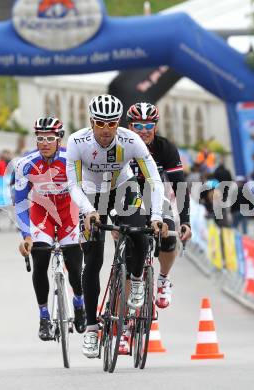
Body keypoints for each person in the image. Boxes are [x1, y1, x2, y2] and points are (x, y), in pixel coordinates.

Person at [66, 94, 166, 358]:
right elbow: (73, 185)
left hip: (123, 187)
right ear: (91, 122)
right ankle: (90, 329)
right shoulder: (77, 142)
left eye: (111, 123)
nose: (106, 129)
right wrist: (87, 211)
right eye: (100, 123)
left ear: (119, 122)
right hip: (90, 193)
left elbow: (154, 179)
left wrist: (156, 215)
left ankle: (135, 280)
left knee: (140, 235)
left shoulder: (130, 140)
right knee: (93, 259)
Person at [15, 116, 86, 341]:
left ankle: (79, 303)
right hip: (41, 214)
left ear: (59, 139)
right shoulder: (26, 163)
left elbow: (87, 191)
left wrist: (86, 221)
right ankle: (44, 316)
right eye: (40, 138)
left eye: (50, 138)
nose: (44, 143)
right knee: (41, 260)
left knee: (74, 266)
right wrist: (26, 235)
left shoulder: (71, 159)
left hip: (69, 213)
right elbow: (19, 202)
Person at [127, 102, 192, 309]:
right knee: (129, 254)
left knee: (170, 233)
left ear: (155, 126)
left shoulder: (165, 148)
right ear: (130, 127)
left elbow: (179, 186)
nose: (144, 131)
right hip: (126, 200)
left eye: (148, 126)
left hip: (155, 198)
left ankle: (163, 278)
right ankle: (124, 317)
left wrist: (186, 221)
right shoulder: (121, 146)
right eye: (138, 126)